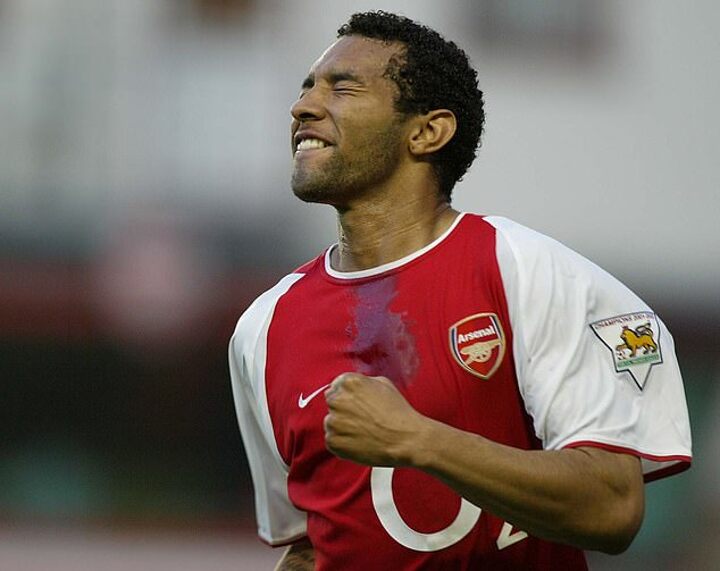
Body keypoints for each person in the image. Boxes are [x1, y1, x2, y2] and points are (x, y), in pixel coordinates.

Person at [229, 11, 692, 570]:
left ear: (428, 132)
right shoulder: (264, 328)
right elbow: (312, 545)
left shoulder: (529, 273)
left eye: (342, 88)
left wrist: (419, 440)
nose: (303, 106)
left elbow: (611, 508)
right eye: (307, 88)